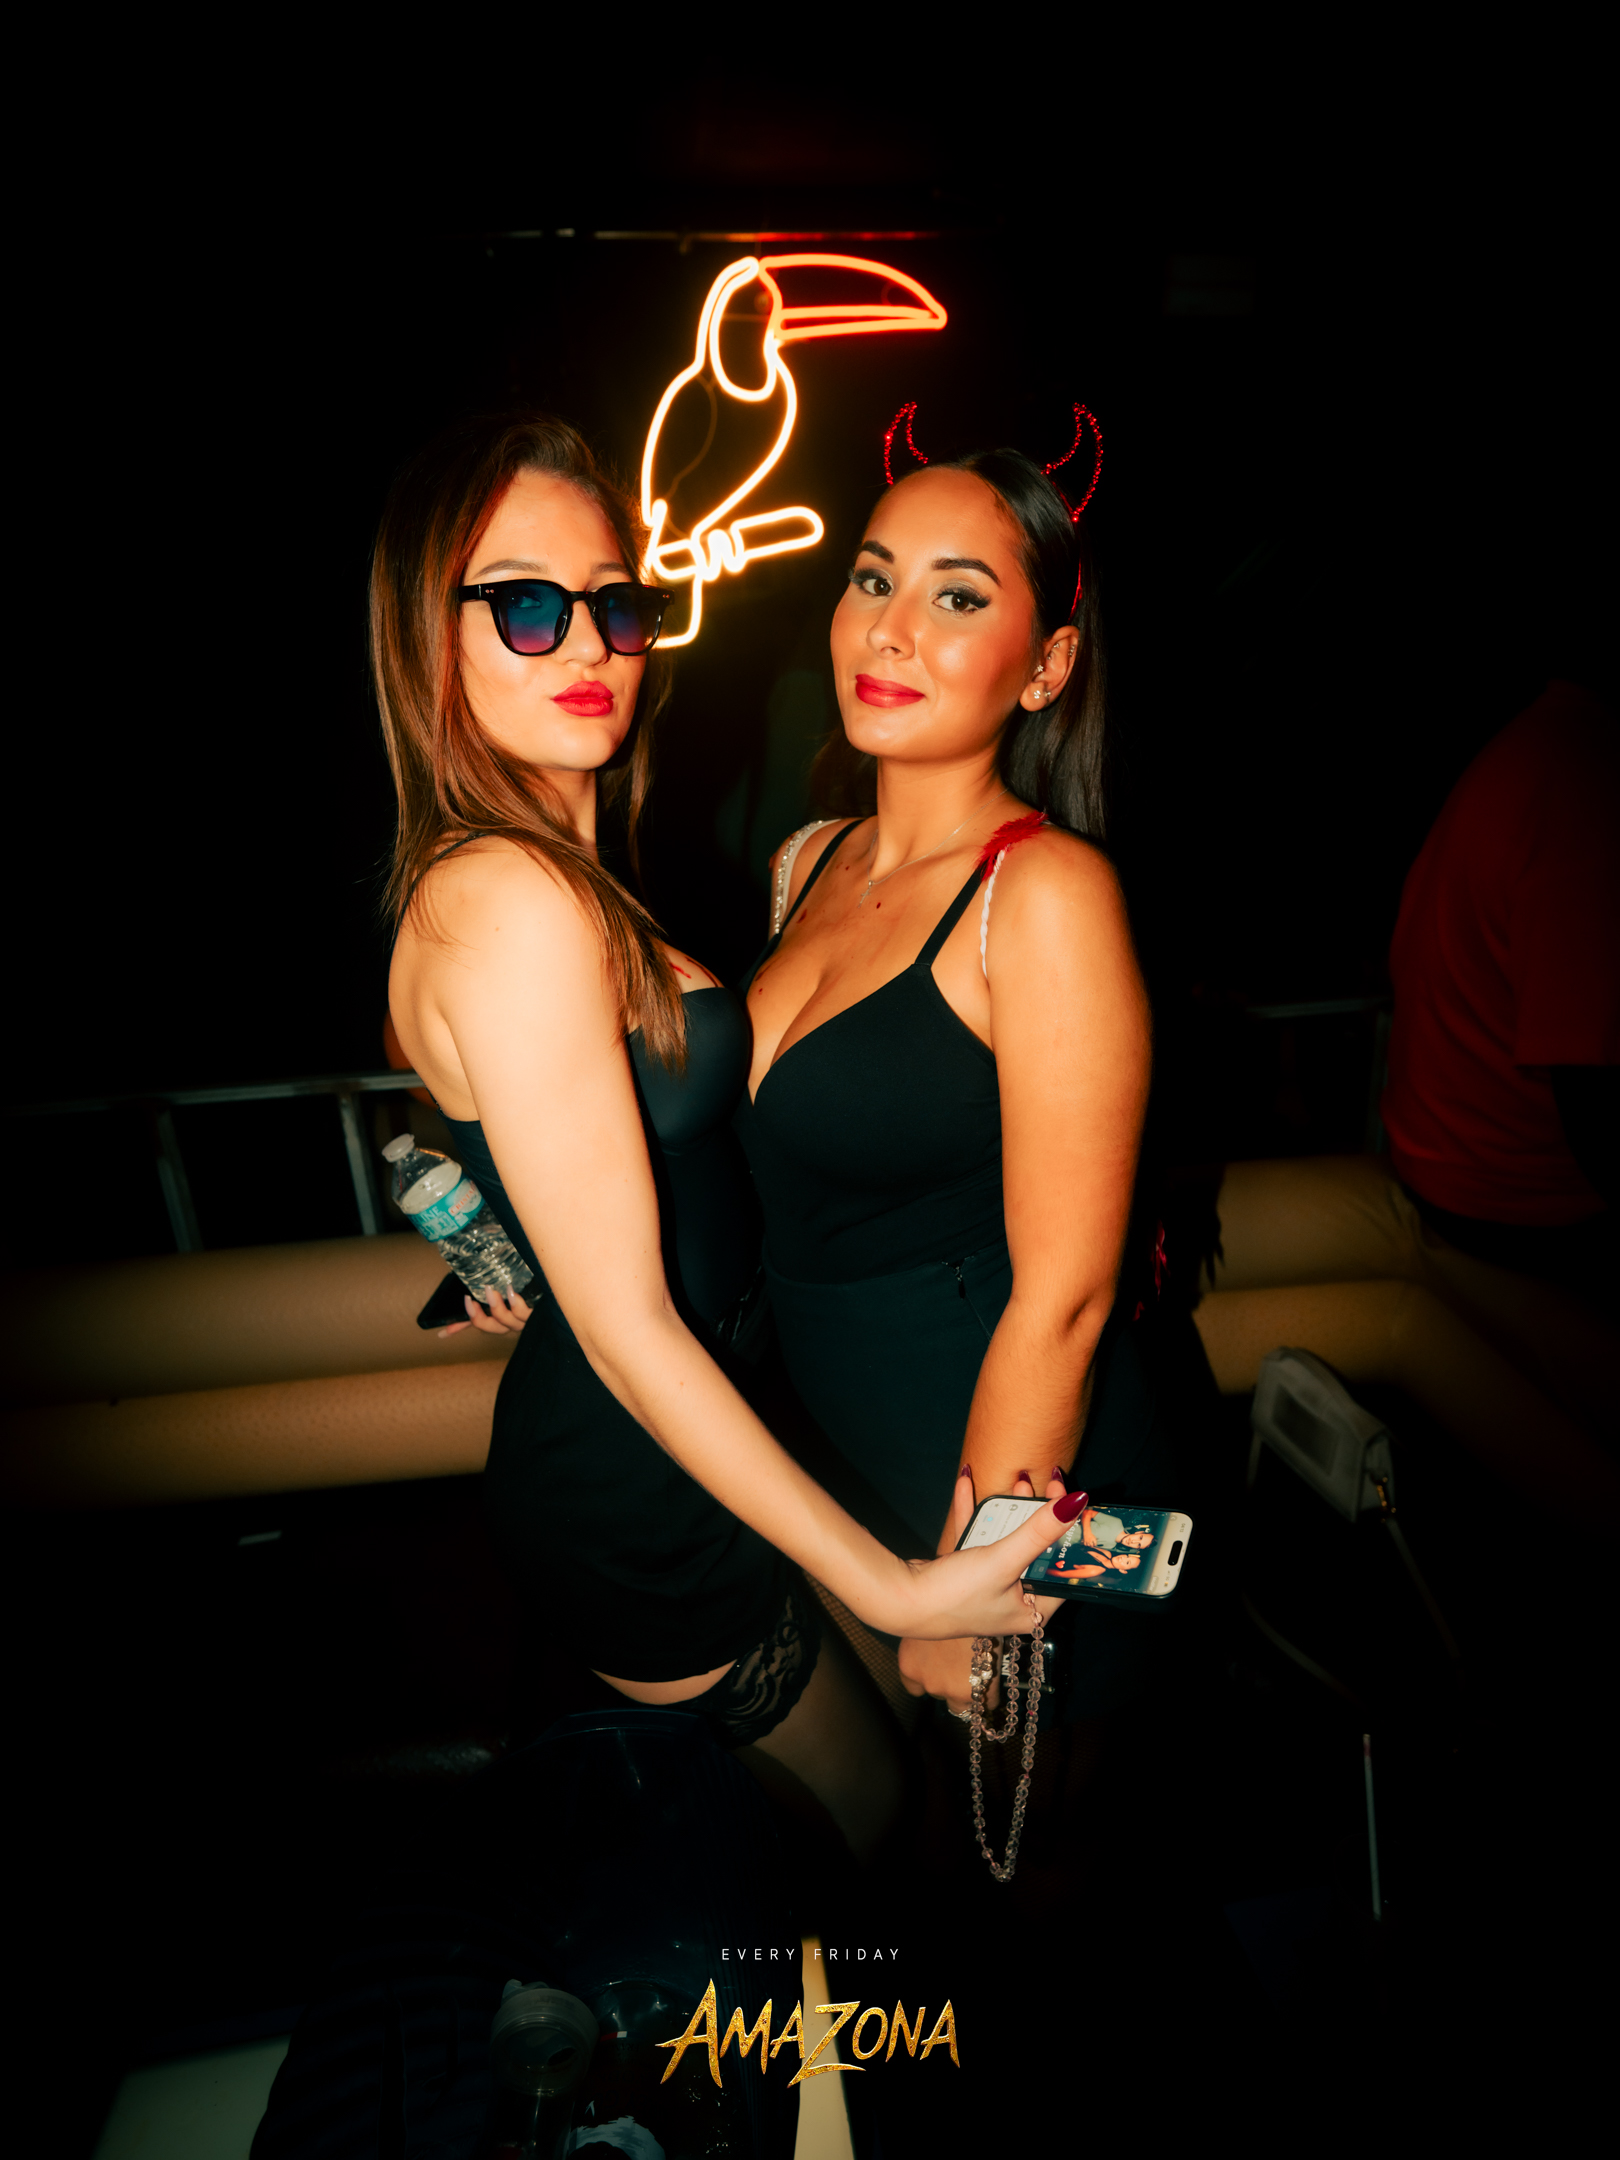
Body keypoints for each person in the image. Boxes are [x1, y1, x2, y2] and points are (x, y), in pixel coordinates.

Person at [377, 413, 1073, 1859]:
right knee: (870, 1832)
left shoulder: (547, 878)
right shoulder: (505, 899)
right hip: (637, 1481)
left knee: (887, 1803)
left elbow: (460, 1071)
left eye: (614, 604)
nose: (587, 644)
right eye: (525, 606)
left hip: (718, 1432)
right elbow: (630, 1328)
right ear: (430, 638)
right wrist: (896, 1588)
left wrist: (491, 1200)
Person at [735, 445, 1170, 1719]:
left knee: (1046, 1842)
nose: (892, 628)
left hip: (1004, 1493)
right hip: (839, 1465)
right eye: (874, 579)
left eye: (958, 596)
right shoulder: (805, 861)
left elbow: (1068, 1301)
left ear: (1047, 667)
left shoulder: (1045, 896)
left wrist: (970, 1580)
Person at [1190, 679, 1620, 1498]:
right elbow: (1594, 1112)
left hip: (1448, 1186)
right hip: (1504, 1207)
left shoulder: (1556, 752)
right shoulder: (1579, 773)